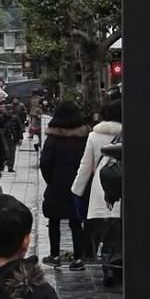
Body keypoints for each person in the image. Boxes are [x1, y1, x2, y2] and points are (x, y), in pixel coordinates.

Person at [71, 94, 122, 281]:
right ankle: (120, 263)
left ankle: (108, 264)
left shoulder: (94, 136)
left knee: (105, 232)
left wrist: (77, 190)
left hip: (101, 189)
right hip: (124, 189)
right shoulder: (134, 132)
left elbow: (86, 166)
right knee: (122, 230)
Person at [39, 101, 90, 266]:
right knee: (76, 221)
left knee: (54, 220)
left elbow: (45, 162)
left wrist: (51, 180)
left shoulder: (53, 138)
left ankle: (54, 255)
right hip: (79, 183)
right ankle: (78, 257)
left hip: (57, 184)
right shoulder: (84, 138)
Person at [0, 99, 22, 175]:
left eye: (10, 110)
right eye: (7, 110)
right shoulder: (0, 117)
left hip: (13, 136)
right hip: (3, 136)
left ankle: (10, 166)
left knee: (12, 152)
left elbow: (19, 128)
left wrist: (20, 137)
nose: (9, 112)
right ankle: (4, 162)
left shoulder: (15, 118)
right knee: (6, 151)